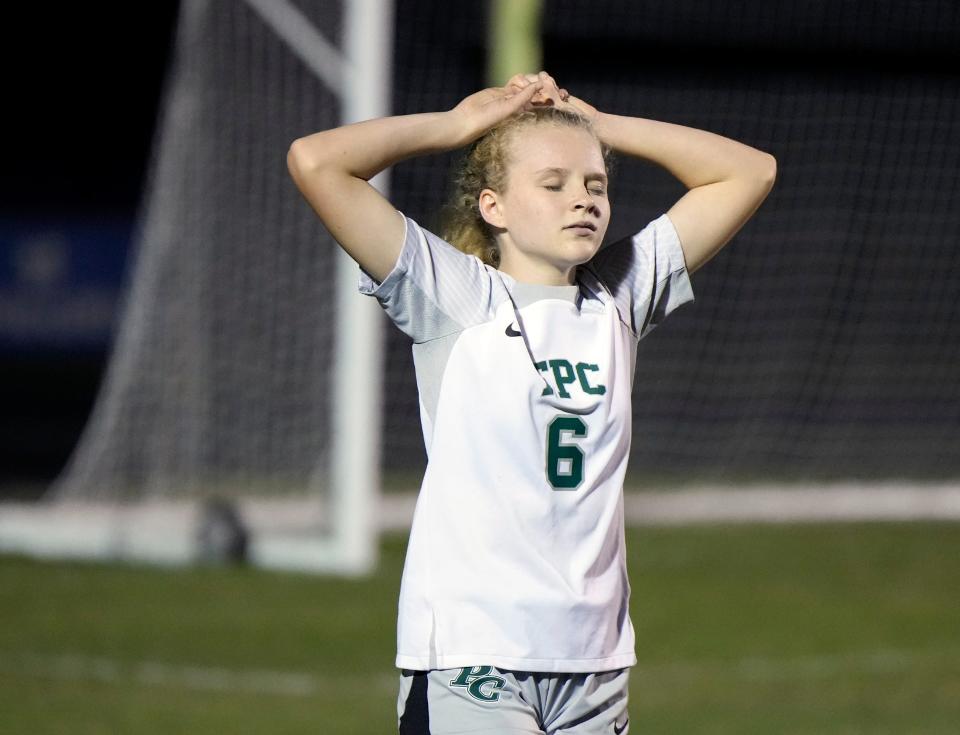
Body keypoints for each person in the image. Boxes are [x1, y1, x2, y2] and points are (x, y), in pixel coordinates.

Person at [287, 71, 775, 735]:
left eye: (595, 185)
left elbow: (750, 172)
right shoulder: (457, 295)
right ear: (495, 207)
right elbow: (316, 162)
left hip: (593, 666)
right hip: (472, 656)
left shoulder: (619, 297)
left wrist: (596, 129)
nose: (583, 199)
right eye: (554, 185)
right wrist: (455, 126)